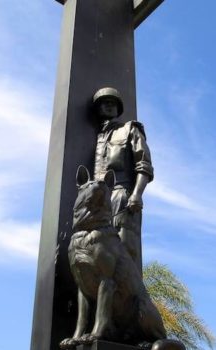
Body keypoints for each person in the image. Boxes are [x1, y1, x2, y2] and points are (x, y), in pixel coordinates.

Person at [92, 87, 154, 271]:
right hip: (98, 202)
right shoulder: (96, 138)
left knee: (125, 252)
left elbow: (144, 165)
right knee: (99, 255)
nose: (109, 105)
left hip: (121, 195)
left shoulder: (130, 129)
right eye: (105, 102)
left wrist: (137, 194)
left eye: (113, 102)